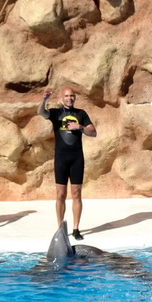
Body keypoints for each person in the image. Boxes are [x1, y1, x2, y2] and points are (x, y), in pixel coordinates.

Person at [39, 87, 97, 240]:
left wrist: (80, 127)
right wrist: (44, 100)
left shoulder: (81, 114)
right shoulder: (56, 113)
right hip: (61, 158)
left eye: (71, 96)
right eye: (66, 96)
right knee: (60, 194)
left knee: (77, 193)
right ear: (61, 98)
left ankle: (76, 229)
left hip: (77, 158)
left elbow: (93, 132)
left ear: (75, 97)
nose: (69, 98)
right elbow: (41, 113)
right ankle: (60, 228)